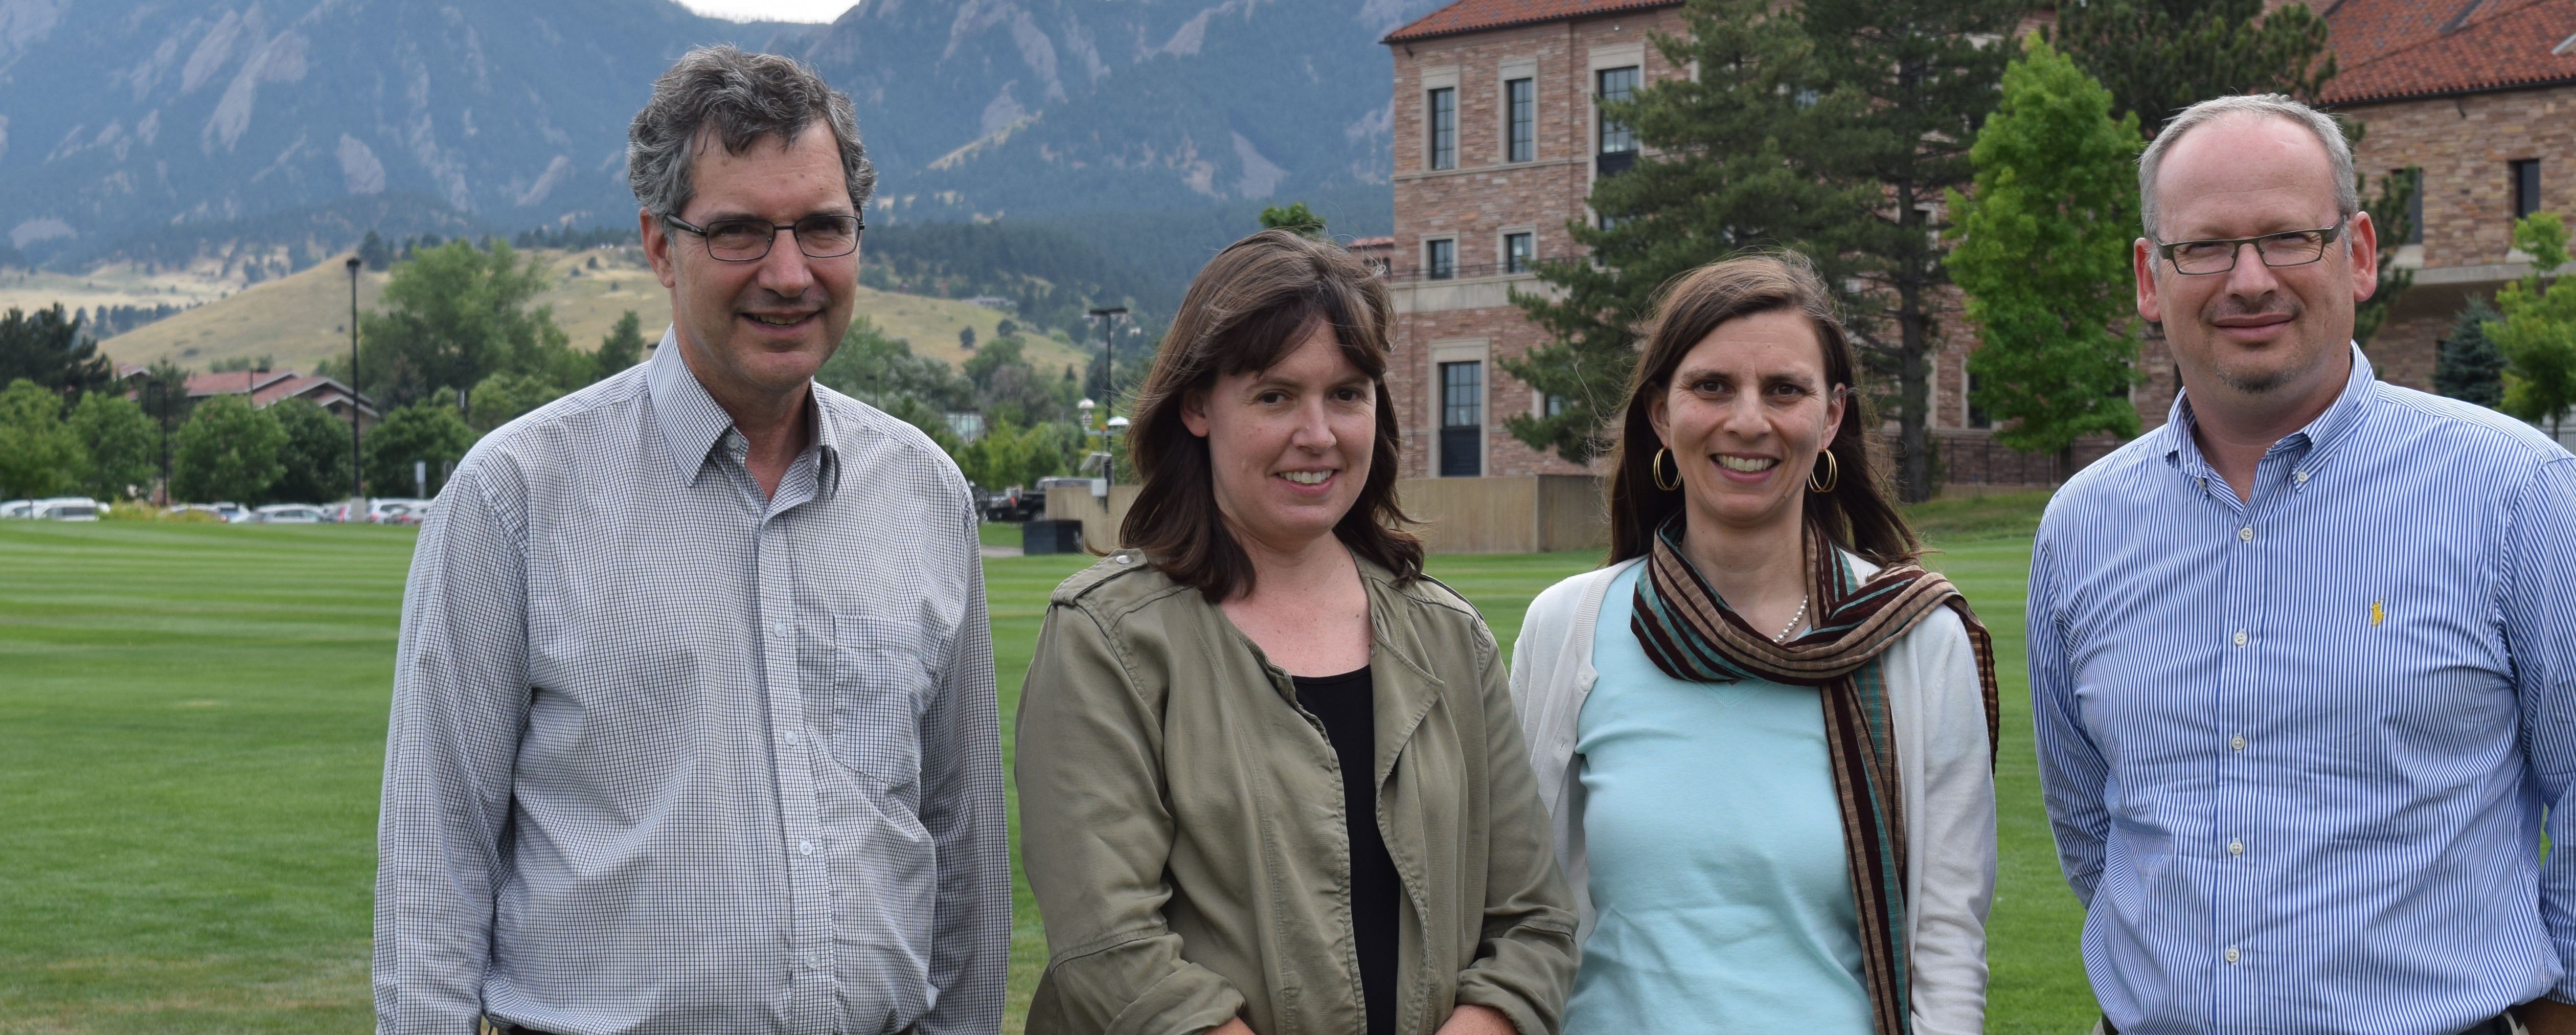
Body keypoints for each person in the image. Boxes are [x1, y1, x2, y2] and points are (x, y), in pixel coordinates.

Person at [372, 47, 1010, 1035]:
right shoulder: (517, 494)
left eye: (823, 229)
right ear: (660, 246)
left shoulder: (922, 491)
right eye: (740, 232)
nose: (789, 274)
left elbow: (962, 843)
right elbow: (434, 857)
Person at [2026, 94, 2576, 1035]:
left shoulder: (2521, 497)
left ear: (2361, 253)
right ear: (2149, 276)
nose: (2249, 280)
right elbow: (2092, 831)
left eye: (2290, 238)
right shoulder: (2081, 528)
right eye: (2204, 247)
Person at [1012, 229, 1577, 1035]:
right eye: (1276, 396)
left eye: (1346, 394)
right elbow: (1112, 949)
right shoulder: (1108, 639)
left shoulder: (1450, 639)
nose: (1318, 434)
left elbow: (1532, 922)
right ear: (1199, 406)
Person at [1508, 253, 2001, 1035]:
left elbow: (1946, 942)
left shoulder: (1915, 641)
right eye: (1711, 387)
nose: (1748, 421)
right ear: (1662, 416)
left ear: (1831, 415)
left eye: (1784, 389)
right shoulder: (1570, 626)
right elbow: (1521, 913)